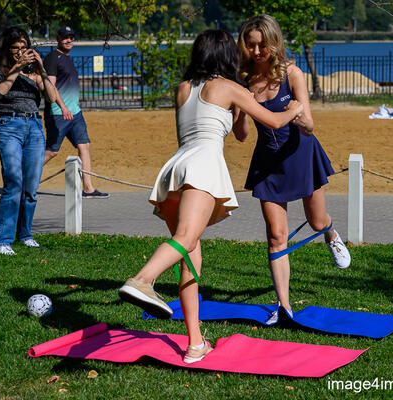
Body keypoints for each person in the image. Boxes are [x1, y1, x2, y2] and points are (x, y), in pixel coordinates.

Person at [118, 29, 304, 364]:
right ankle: (143, 280)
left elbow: (226, 125)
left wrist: (240, 107)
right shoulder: (228, 87)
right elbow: (275, 122)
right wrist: (295, 108)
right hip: (202, 167)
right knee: (186, 239)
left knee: (190, 259)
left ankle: (195, 344)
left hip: (175, 168)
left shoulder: (183, 88)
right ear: (226, 55)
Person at [234, 15, 351, 325]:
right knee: (276, 236)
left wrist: (298, 115)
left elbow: (310, 126)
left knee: (316, 221)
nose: (256, 51)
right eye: (250, 45)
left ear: (274, 43)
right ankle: (284, 307)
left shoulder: (292, 74)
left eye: (262, 45)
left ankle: (331, 234)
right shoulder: (243, 82)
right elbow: (241, 136)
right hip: (268, 162)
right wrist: (241, 110)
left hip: (301, 154)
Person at [0, 27, 57, 255]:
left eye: (23, 47)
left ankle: (25, 234)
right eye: (15, 48)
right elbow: (1, 92)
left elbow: (52, 97)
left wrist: (42, 70)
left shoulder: (33, 72)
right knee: (13, 182)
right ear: (6, 49)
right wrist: (17, 68)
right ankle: (3, 240)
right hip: (10, 125)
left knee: (31, 187)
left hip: (34, 126)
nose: (20, 52)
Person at [43, 26, 109, 199]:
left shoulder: (67, 58)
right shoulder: (52, 58)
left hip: (75, 113)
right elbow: (50, 86)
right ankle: (23, 179)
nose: (69, 40)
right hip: (58, 113)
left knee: (84, 146)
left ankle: (88, 188)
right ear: (58, 38)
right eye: (65, 37)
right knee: (52, 151)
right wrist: (63, 107)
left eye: (71, 37)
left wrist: (72, 107)